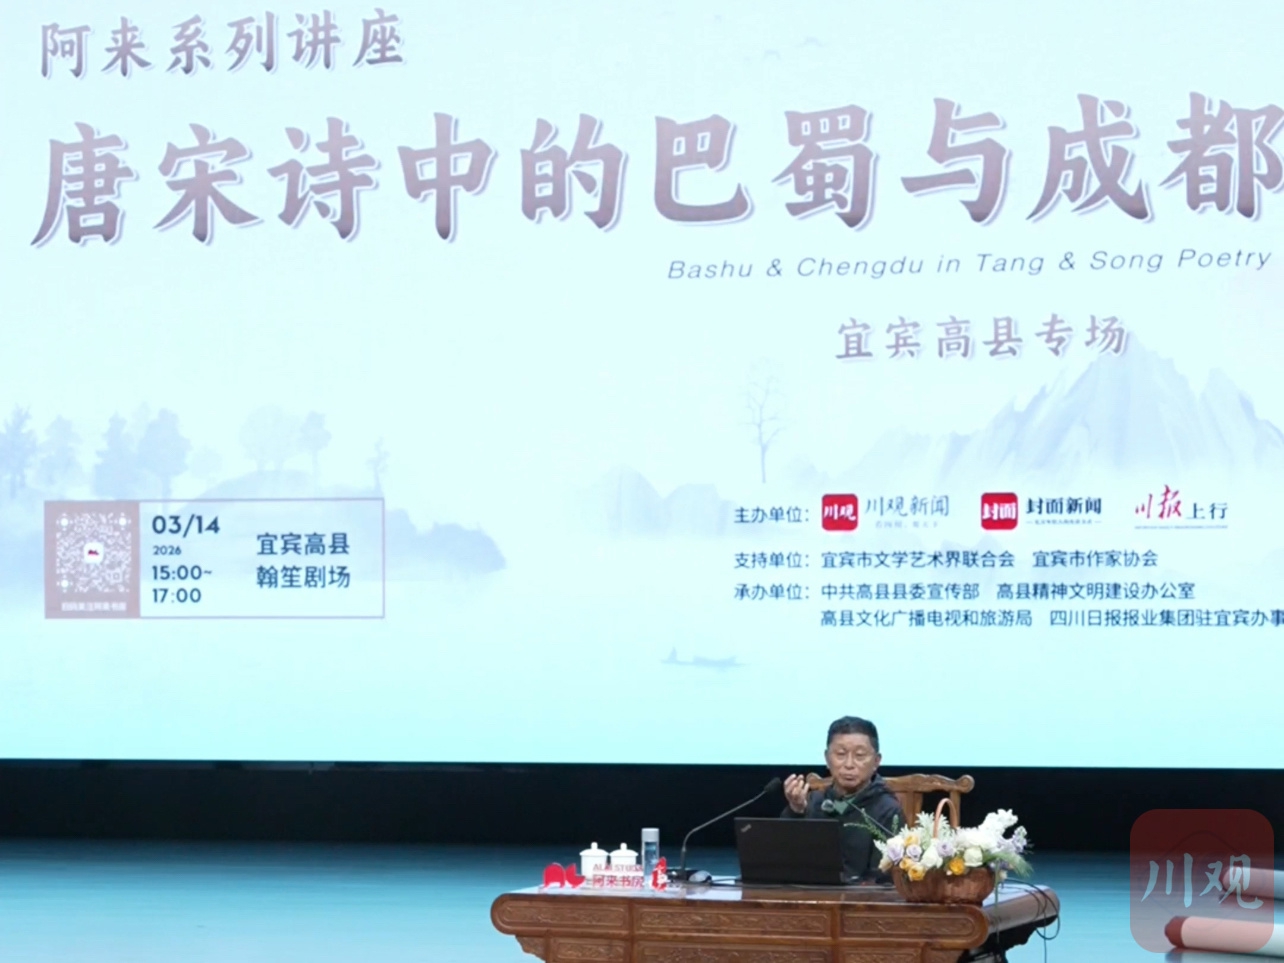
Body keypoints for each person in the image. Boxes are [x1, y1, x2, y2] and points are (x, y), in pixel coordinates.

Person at [782, 716, 904, 882]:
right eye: (840, 754)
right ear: (827, 758)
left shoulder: (887, 810)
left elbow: (883, 879)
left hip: (860, 896)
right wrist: (796, 811)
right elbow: (784, 859)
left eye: (859, 755)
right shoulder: (813, 802)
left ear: (876, 761)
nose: (849, 764)